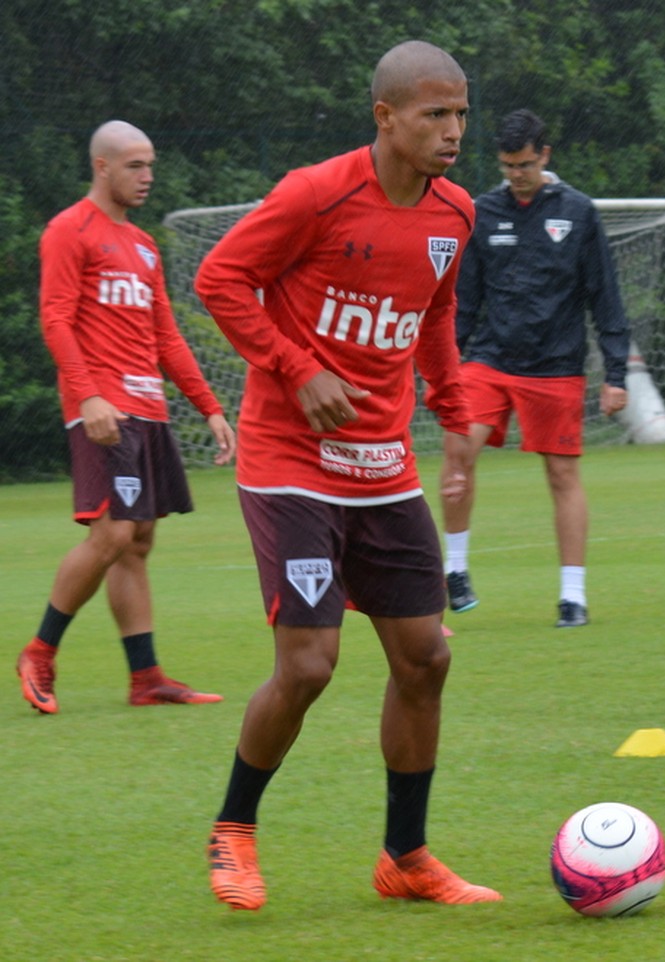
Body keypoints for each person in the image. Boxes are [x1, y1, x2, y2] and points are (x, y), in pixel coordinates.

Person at [194, 40, 501, 911]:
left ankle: (406, 856)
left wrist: (451, 403)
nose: (452, 132)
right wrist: (297, 368)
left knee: (426, 658)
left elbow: (434, 310)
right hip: (290, 463)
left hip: (383, 465)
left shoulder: (455, 214)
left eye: (461, 114)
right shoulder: (314, 193)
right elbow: (220, 280)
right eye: (434, 115)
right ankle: (234, 831)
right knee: (309, 665)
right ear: (385, 117)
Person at [15, 120, 235, 716]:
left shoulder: (143, 245)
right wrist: (87, 398)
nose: (148, 176)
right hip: (103, 406)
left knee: (137, 541)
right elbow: (56, 319)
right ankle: (39, 652)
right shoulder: (69, 230)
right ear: (102, 166)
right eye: (135, 166)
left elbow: (165, 335)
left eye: (151, 165)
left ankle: (146, 678)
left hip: (147, 407)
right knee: (111, 532)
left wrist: (209, 407)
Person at [440, 109, 630, 628]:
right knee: (460, 449)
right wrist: (446, 363)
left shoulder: (579, 212)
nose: (516, 175)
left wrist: (616, 373)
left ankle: (573, 597)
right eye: (507, 166)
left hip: (556, 365)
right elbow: (465, 298)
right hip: (490, 359)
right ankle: (454, 570)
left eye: (524, 164)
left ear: (544, 157)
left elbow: (605, 298)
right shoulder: (483, 212)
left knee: (562, 475)